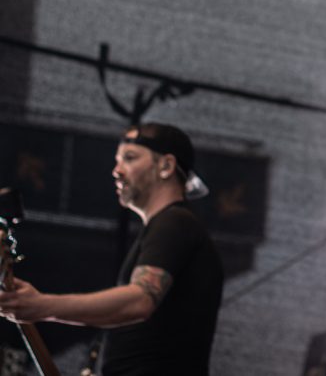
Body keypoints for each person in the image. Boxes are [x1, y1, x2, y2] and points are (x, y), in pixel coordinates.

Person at [0, 123, 223, 376]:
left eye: (130, 158)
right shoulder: (164, 227)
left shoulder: (175, 222)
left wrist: (43, 306)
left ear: (166, 166)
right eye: (117, 161)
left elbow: (139, 300)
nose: (116, 171)